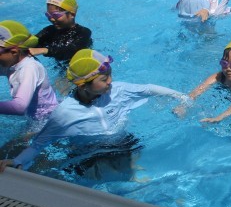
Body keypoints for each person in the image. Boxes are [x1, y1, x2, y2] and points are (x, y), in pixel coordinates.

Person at [0, 49, 187, 176]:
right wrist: (17, 161)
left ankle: (131, 168)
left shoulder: (117, 90)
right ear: (83, 85)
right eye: (104, 79)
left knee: (131, 169)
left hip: (122, 142)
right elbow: (39, 144)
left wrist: (182, 98)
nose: (110, 81)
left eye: (110, 75)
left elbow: (148, 89)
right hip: (88, 152)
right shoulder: (65, 113)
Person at [0, 20, 58, 122]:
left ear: (14, 52)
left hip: (47, 120)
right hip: (32, 117)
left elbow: (19, 107)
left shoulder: (30, 68)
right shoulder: (12, 61)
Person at [30, 0, 93, 65]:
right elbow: (34, 41)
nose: (52, 19)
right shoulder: (49, 31)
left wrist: (45, 50)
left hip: (81, 66)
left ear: (72, 14)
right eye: (48, 15)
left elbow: (70, 50)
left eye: (56, 15)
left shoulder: (84, 32)